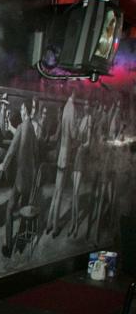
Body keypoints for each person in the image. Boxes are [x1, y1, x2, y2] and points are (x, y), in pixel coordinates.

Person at [0, 101, 39, 257]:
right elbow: (35, 152)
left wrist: (1, 168)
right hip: (30, 178)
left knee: (9, 209)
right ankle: (20, 245)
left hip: (20, 178)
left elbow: (11, 152)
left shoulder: (21, 128)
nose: (20, 112)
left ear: (25, 110)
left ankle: (8, 246)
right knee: (24, 208)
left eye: (21, 108)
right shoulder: (32, 128)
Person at [48, 90, 76, 236]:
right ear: (74, 92)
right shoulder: (72, 109)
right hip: (66, 155)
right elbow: (73, 133)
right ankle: (54, 228)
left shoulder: (65, 107)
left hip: (60, 154)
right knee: (59, 192)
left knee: (56, 190)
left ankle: (48, 224)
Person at [69, 101, 91, 237]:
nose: (86, 106)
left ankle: (76, 225)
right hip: (76, 156)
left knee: (76, 192)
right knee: (73, 193)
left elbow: (89, 141)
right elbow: (75, 137)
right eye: (85, 105)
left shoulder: (89, 119)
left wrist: (82, 146)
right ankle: (73, 223)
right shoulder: (81, 119)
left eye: (88, 105)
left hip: (82, 156)